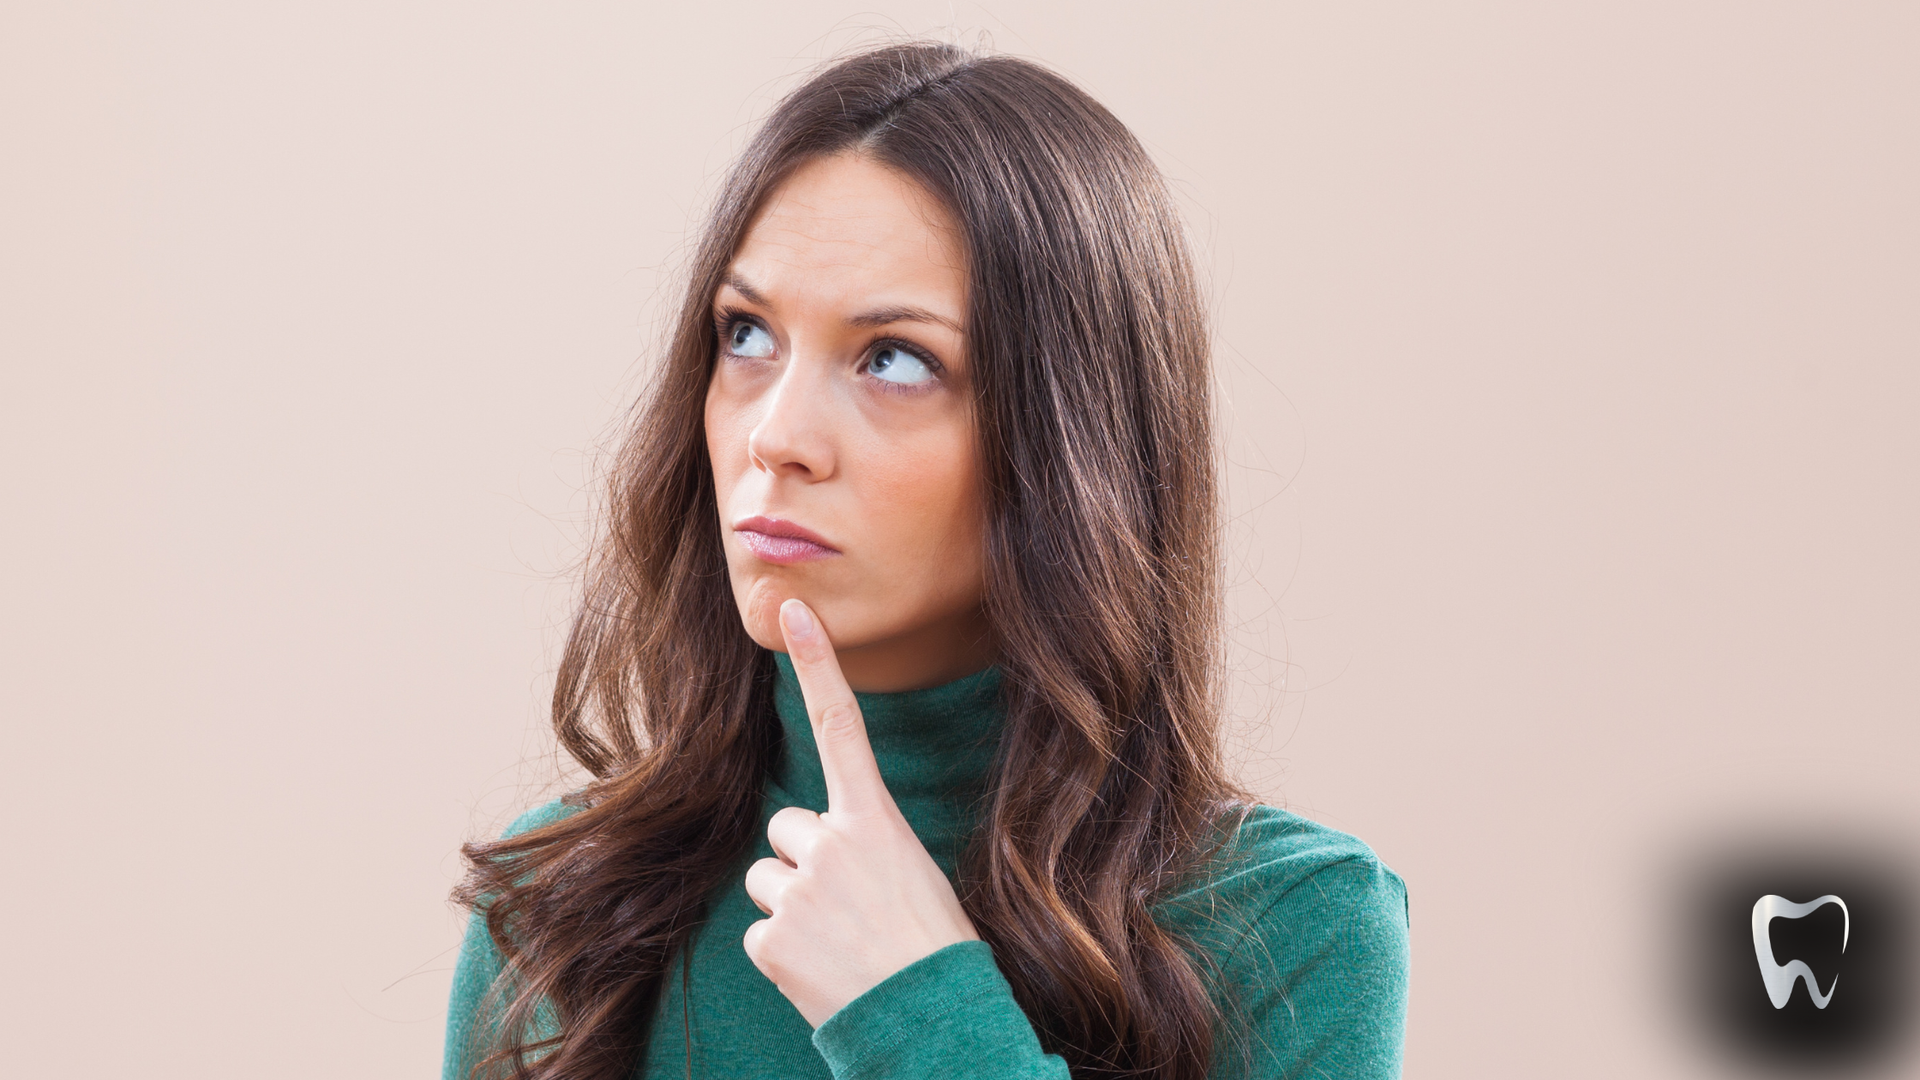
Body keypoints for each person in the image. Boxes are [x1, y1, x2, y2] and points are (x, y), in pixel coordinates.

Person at [443, 41, 1409, 1080]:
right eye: (747, 334)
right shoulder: (561, 910)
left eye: (893, 360)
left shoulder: (1296, 928)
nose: (777, 435)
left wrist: (918, 1014)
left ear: (1068, 442)